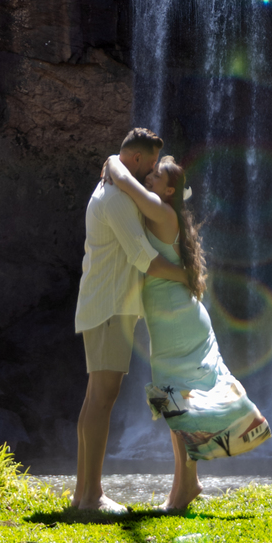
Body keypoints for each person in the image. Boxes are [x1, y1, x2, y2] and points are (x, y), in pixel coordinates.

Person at [104, 149, 271, 512]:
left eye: (155, 178)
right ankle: (186, 485)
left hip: (177, 323)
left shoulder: (161, 212)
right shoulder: (166, 213)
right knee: (176, 405)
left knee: (174, 402)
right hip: (178, 319)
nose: (148, 179)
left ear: (167, 191)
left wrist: (115, 159)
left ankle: (191, 481)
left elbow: (122, 181)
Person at [73, 127, 190, 515]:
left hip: (109, 306)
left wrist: (113, 165)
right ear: (136, 160)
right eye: (152, 165)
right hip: (110, 308)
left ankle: (84, 493)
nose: (153, 172)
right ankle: (90, 496)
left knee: (97, 398)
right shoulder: (116, 199)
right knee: (102, 399)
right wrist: (192, 277)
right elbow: (146, 260)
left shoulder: (115, 186)